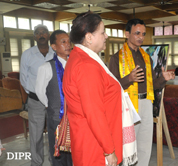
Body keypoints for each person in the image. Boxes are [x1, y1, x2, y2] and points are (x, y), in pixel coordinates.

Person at [109, 18, 175, 166]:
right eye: (137, 33)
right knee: (129, 144)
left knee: (145, 143)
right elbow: (111, 88)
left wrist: (163, 79)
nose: (140, 37)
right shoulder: (116, 58)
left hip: (146, 102)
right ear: (127, 34)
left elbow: (152, 86)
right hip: (128, 104)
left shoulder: (146, 58)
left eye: (143, 34)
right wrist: (129, 79)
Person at [63, 12, 125, 166]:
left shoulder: (78, 57)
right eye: (103, 32)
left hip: (87, 136)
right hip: (95, 142)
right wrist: (109, 151)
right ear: (89, 37)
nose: (106, 36)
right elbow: (94, 112)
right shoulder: (86, 66)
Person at [35, 30, 72, 166]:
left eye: (68, 41)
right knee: (58, 155)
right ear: (54, 47)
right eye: (63, 42)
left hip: (75, 117)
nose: (67, 45)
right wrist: (53, 106)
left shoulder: (75, 64)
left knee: (74, 154)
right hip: (57, 118)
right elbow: (40, 92)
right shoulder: (46, 67)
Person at [20, 24, 55, 166]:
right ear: (34, 36)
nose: (41, 35)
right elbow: (23, 78)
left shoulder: (56, 52)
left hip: (54, 100)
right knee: (36, 134)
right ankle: (36, 162)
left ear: (48, 35)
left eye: (44, 32)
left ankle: (55, 160)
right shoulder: (28, 54)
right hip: (35, 101)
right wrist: (36, 94)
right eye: (38, 33)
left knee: (56, 133)